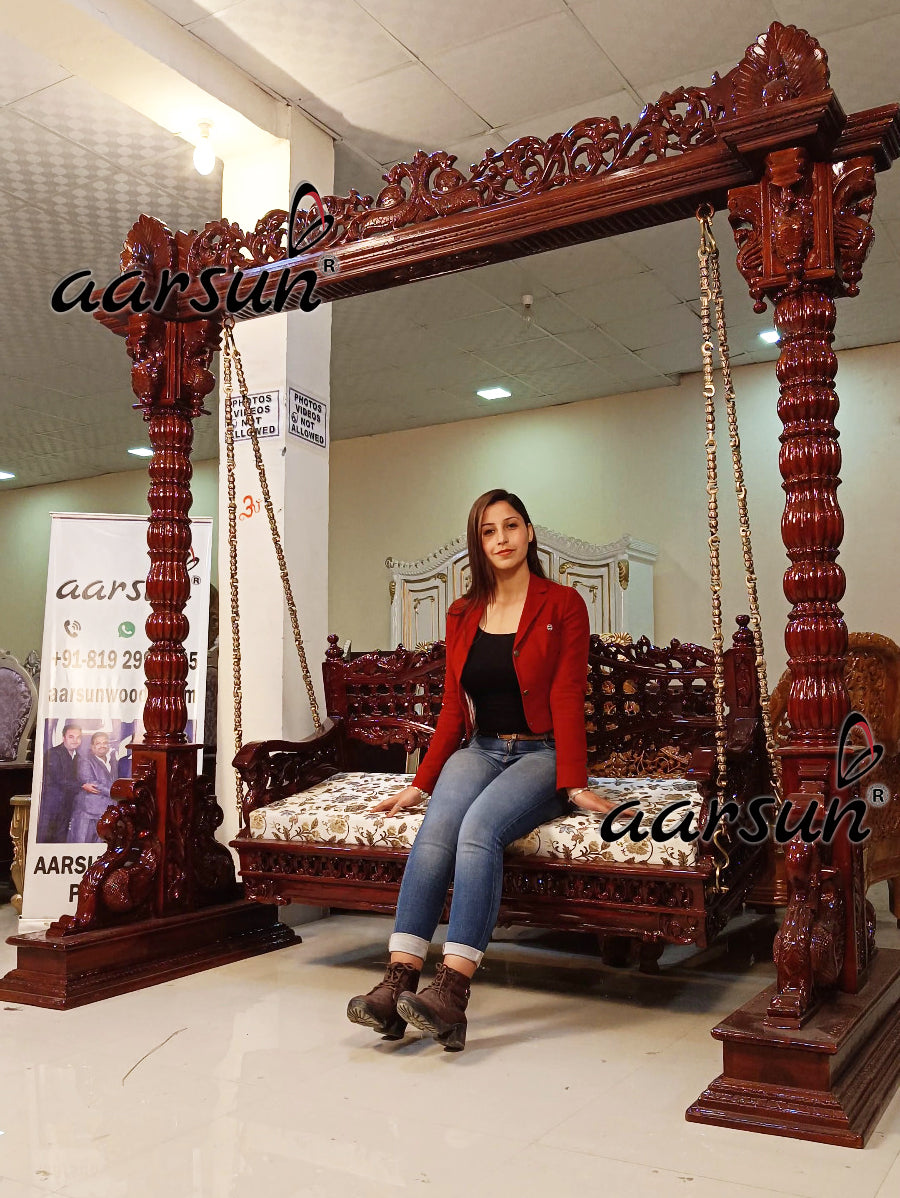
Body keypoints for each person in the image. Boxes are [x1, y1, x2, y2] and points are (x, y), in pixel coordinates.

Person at [347, 489, 616, 1051]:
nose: (502, 539)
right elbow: (451, 708)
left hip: (540, 753)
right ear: (479, 542)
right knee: (436, 828)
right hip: (482, 748)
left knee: (478, 832)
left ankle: (452, 991)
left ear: (530, 533)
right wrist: (420, 784)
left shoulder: (563, 603)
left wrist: (574, 781)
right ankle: (398, 983)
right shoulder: (463, 612)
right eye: (489, 531)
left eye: (511, 526)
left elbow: (568, 694)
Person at [36, 723, 83, 843]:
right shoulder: (53, 753)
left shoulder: (78, 757)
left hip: (67, 806)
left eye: (78, 737)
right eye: (71, 737)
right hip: (51, 806)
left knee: (60, 840)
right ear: (63, 738)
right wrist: (82, 786)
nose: (75, 740)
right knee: (45, 839)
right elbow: (60, 779)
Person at [69, 731, 117, 843]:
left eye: (105, 743)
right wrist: (115, 792)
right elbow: (92, 783)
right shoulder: (85, 760)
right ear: (92, 746)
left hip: (106, 814)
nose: (102, 746)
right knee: (83, 848)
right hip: (88, 814)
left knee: (100, 851)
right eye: (98, 743)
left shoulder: (112, 762)